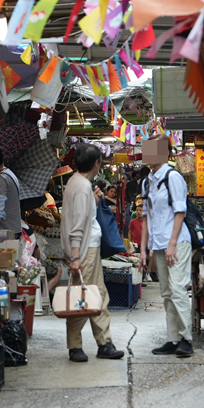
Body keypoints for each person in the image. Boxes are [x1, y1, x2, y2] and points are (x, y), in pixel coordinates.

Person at [59, 144, 124, 363]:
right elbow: (77, 225)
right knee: (83, 297)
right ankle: (78, 345)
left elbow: (82, 217)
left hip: (87, 248)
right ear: (96, 163)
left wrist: (94, 200)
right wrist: (76, 256)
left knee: (96, 294)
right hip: (84, 250)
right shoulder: (82, 186)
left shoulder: (78, 183)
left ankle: (103, 342)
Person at [139, 134, 194, 358]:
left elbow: (180, 211)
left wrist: (172, 244)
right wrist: (143, 250)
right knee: (166, 292)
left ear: (166, 152)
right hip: (159, 245)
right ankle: (173, 339)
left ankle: (186, 339)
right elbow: (145, 217)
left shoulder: (173, 177)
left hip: (177, 242)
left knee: (179, 290)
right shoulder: (147, 182)